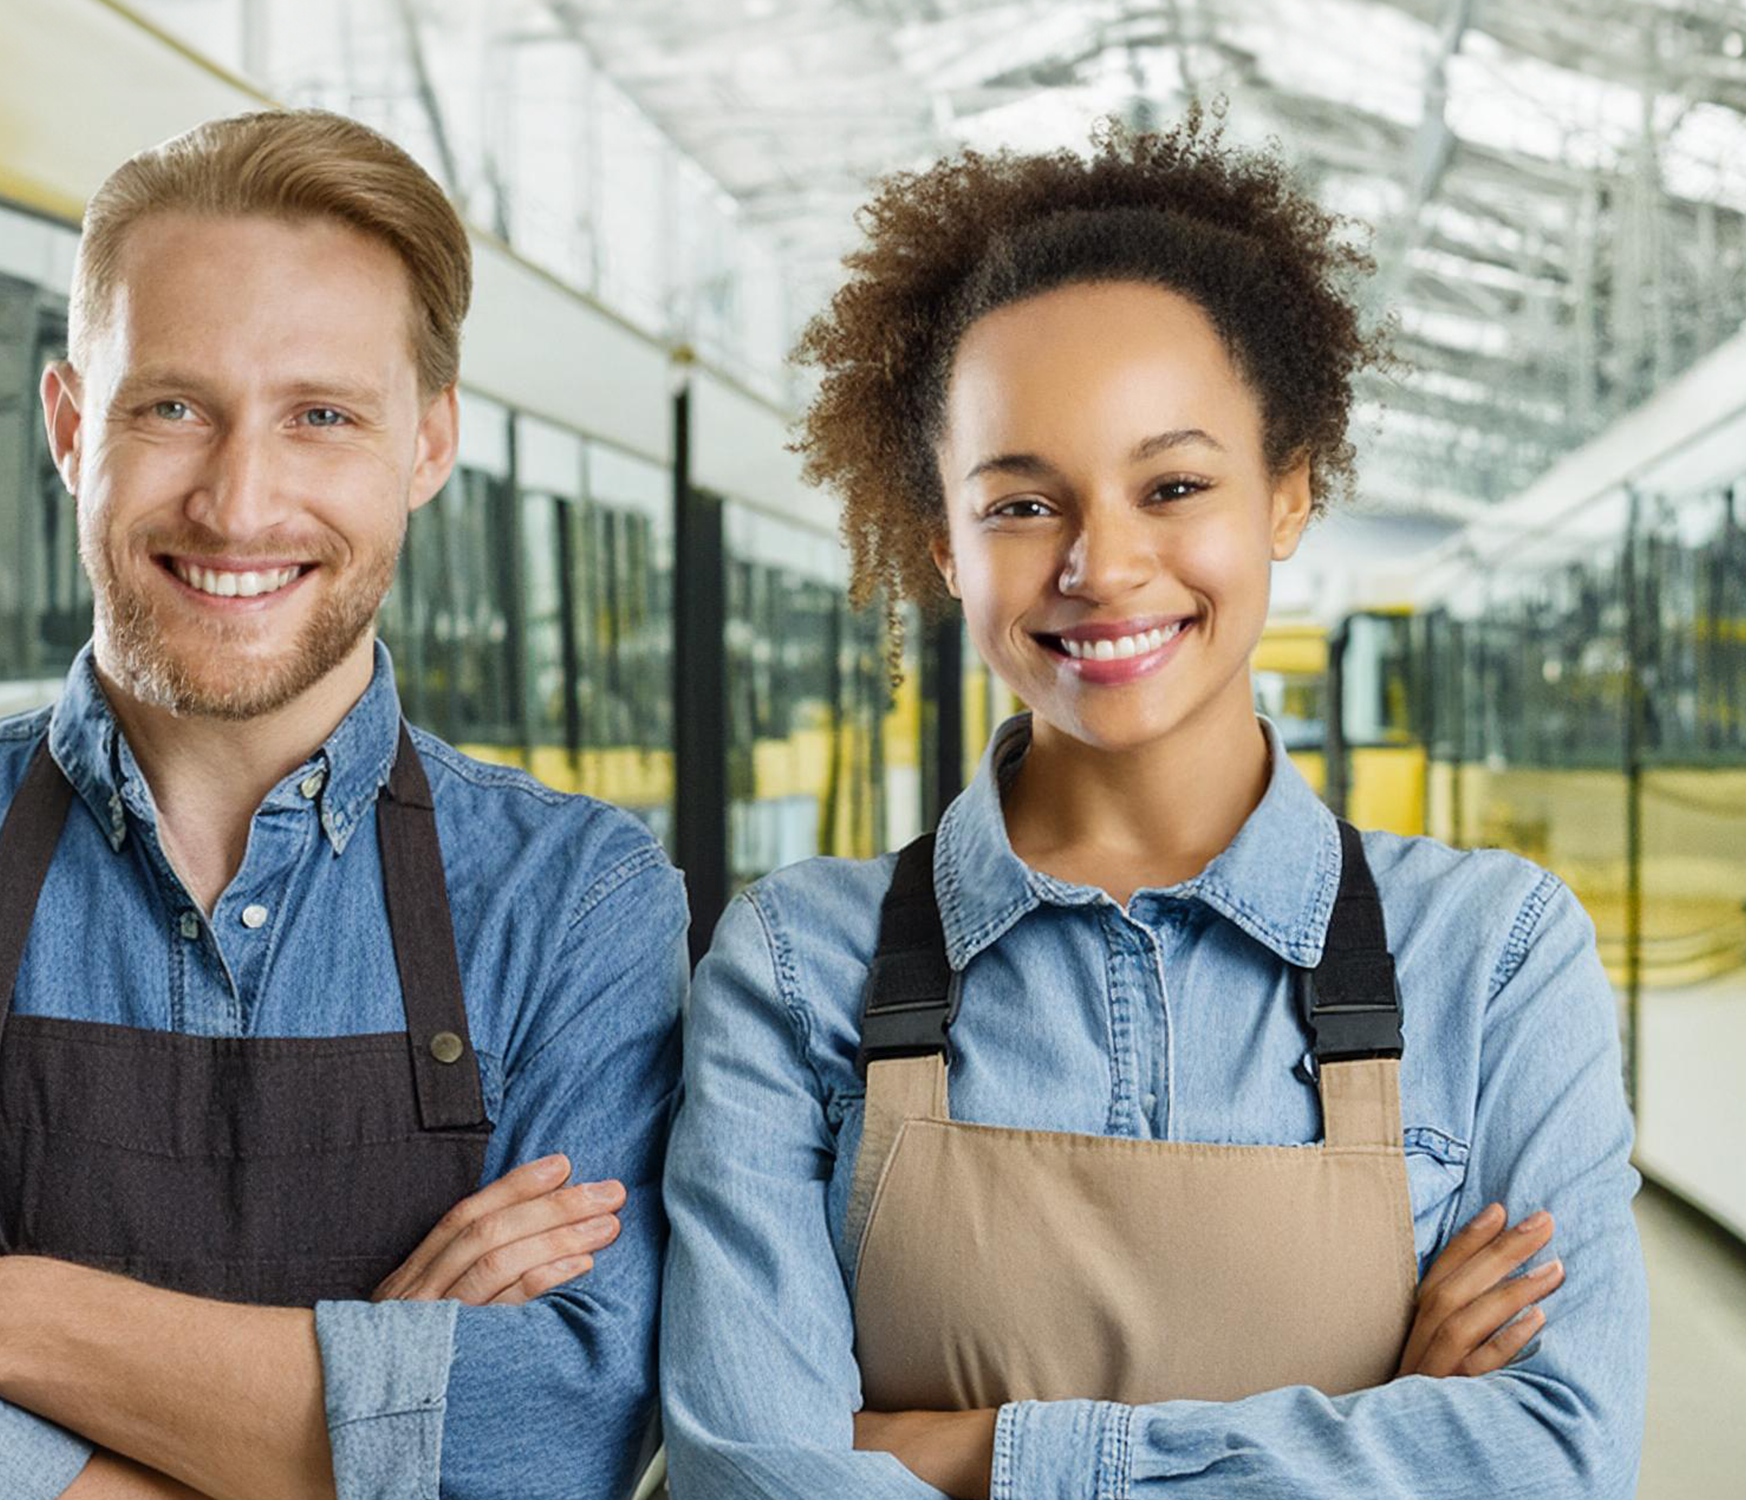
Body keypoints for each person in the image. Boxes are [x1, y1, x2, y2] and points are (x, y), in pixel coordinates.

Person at [0, 110, 684, 1500]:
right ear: (75, 427)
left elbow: (563, 1443)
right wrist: (379, 1401)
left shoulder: (581, 902)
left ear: (426, 446)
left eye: (321, 415)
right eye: (173, 407)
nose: (239, 501)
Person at [658, 111, 1646, 1499]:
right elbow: (750, 1476)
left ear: (1287, 497)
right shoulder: (789, 962)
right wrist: (1377, 1425)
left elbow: (1554, 1457)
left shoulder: (1491, 954)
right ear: (940, 539)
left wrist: (953, 1453)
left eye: (1172, 485)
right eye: (1019, 506)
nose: (1102, 565)